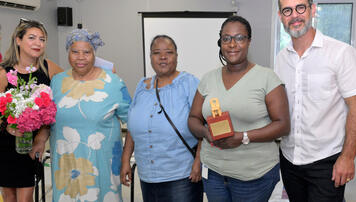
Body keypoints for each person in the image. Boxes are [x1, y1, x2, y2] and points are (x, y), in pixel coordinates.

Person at [188, 15, 290, 202]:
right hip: (214, 172)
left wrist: (243, 137)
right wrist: (205, 131)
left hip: (254, 175)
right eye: (226, 38)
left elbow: (283, 125)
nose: (232, 44)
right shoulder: (208, 79)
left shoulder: (267, 78)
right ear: (220, 43)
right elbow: (193, 118)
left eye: (239, 38)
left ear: (249, 41)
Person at [275, 0, 356, 201]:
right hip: (289, 159)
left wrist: (348, 157)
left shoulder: (341, 53)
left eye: (300, 7)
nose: (294, 15)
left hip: (326, 162)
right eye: (287, 10)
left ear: (313, 10)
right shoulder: (281, 59)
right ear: (280, 17)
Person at [49, 29, 131, 201]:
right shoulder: (57, 82)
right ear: (68, 53)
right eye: (75, 52)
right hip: (66, 169)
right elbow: (48, 118)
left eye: (87, 52)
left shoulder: (113, 82)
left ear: (94, 54)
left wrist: (125, 159)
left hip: (103, 167)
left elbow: (133, 123)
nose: (80, 57)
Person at [120, 35, 203, 202]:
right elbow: (132, 128)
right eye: (157, 53)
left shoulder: (189, 83)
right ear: (150, 57)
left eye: (169, 52)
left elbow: (204, 125)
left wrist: (198, 162)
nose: (163, 57)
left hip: (182, 175)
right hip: (147, 175)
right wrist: (125, 160)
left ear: (177, 56)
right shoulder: (142, 86)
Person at [0, 18, 63, 202]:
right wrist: (8, 125)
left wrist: (41, 138)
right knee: (8, 196)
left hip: (31, 146)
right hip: (5, 145)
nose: (38, 43)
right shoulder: (4, 73)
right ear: (18, 40)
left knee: (26, 196)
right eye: (32, 38)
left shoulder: (48, 68)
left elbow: (73, 80)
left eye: (42, 39)